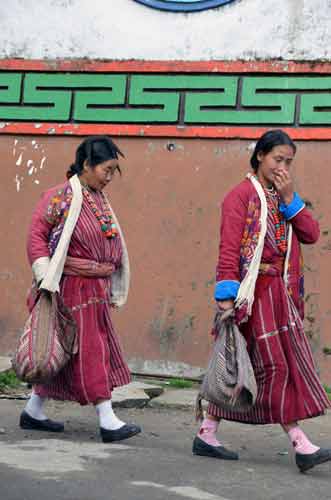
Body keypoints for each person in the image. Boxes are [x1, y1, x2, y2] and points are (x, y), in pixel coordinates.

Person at [192, 129, 331, 472]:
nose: (282, 167)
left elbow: (310, 235)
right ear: (259, 157)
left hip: (279, 298)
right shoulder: (239, 197)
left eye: (288, 162)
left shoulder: (282, 200)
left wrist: (290, 198)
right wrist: (226, 299)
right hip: (252, 298)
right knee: (274, 368)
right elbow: (229, 250)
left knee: (245, 369)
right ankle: (300, 443)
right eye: (277, 159)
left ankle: (206, 432)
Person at [20, 136, 141, 443]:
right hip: (72, 290)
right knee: (91, 351)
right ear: (87, 165)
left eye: (114, 170)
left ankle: (33, 411)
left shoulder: (96, 197)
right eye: (107, 169)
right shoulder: (60, 197)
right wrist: (46, 278)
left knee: (67, 353)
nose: (111, 176)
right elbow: (37, 237)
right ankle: (107, 419)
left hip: (95, 291)